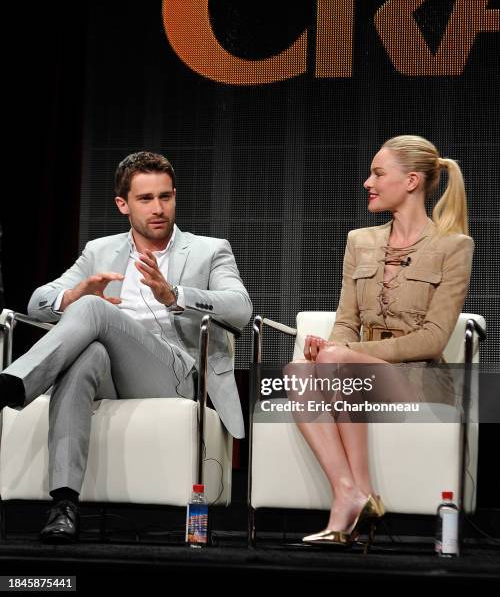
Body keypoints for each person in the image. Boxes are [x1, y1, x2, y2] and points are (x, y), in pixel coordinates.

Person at [0, 151, 252, 543]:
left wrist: (175, 295)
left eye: (165, 197)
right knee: (87, 355)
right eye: (145, 199)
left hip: (176, 374)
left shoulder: (209, 249)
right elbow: (36, 302)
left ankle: (12, 385)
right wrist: (72, 294)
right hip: (112, 375)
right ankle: (64, 505)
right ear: (123, 204)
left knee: (93, 310)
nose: (158, 208)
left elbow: (241, 308)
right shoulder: (99, 251)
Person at [289, 135, 474, 547]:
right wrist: (330, 348)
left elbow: (432, 339)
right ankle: (349, 491)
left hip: (423, 378)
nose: (367, 182)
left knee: (341, 361)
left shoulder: (453, 246)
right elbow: (346, 320)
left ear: (411, 181)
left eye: (377, 173)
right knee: (299, 371)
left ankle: (362, 492)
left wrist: (348, 353)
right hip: (359, 370)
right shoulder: (360, 241)